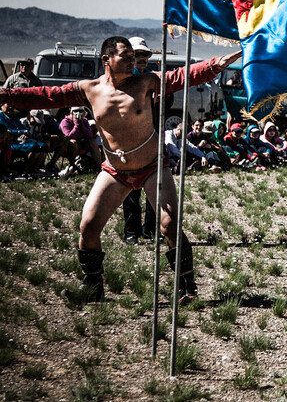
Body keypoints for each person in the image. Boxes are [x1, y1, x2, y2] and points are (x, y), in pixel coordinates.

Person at [0, 36, 239, 302]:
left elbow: (181, 75)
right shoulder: (89, 89)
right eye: (125, 56)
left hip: (151, 167)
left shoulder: (146, 82)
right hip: (115, 170)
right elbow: (46, 96)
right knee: (89, 226)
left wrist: (217, 64)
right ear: (106, 60)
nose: (132, 61)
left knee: (168, 224)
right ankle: (93, 289)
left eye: (132, 57)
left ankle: (187, 288)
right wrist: (5, 94)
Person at [122, 37, 157, 244]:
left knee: (154, 187)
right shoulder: (123, 81)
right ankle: (131, 232)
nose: (142, 59)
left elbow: (165, 103)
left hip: (150, 138)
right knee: (131, 190)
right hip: (130, 141)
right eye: (138, 55)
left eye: (145, 55)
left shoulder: (153, 78)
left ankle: (150, 230)